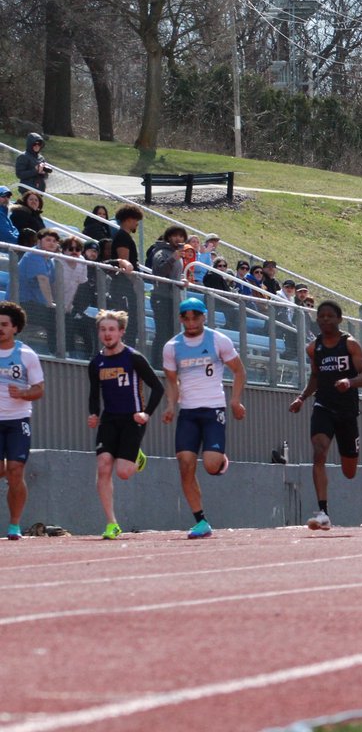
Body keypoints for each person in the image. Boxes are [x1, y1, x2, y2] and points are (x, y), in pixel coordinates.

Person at [161, 297, 247, 539]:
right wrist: (170, 405)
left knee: (209, 465)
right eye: (185, 317)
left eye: (195, 316)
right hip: (188, 413)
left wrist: (235, 400)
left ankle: (219, 459)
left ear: (204, 317)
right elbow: (172, 381)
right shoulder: (172, 347)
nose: (190, 322)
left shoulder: (218, 340)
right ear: (180, 319)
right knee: (185, 465)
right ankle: (201, 521)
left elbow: (239, 370)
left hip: (213, 409)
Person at [288, 300, 362, 531]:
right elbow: (315, 376)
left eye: (329, 316)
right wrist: (302, 398)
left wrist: (349, 381)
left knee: (349, 471)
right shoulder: (314, 348)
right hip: (322, 406)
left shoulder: (351, 345)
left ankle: (350, 453)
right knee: (319, 453)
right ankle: (323, 511)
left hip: (347, 412)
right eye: (321, 316)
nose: (325, 320)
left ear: (339, 319)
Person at [88, 310, 164, 539]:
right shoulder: (96, 363)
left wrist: (146, 413)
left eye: (112, 329)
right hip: (109, 420)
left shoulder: (133, 358)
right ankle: (111, 523)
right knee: (103, 465)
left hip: (132, 419)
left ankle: (137, 458)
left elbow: (157, 387)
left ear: (121, 332)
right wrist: (94, 414)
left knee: (123, 472)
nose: (107, 334)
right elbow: (94, 393)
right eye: (103, 330)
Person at [0, 302, 46, 540]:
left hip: (18, 420)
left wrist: (23, 393)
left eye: (4, 325)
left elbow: (39, 389)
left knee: (15, 471)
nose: (0, 329)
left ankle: (14, 525)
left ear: (15, 328)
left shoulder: (26, 354)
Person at [148, 226, 187, 369]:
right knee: (162, 333)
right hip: (161, 297)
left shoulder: (177, 255)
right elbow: (160, 272)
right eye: (175, 236)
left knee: (172, 333)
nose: (178, 239)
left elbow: (175, 275)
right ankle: (157, 365)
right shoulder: (162, 252)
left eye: (181, 236)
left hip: (173, 298)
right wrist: (173, 259)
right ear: (168, 237)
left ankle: (168, 365)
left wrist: (182, 281)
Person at [16, 228, 60, 346]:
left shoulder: (49, 260)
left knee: (63, 314)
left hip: (35, 303)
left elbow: (54, 285)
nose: (52, 243)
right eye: (48, 240)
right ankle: (55, 352)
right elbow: (43, 280)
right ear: (39, 242)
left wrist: (59, 303)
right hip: (20, 303)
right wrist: (50, 303)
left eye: (55, 241)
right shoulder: (34, 255)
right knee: (55, 317)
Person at [109, 205, 144, 346]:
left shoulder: (124, 236)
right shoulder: (122, 237)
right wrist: (135, 283)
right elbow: (125, 263)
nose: (137, 223)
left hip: (127, 286)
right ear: (128, 219)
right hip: (123, 286)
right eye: (136, 220)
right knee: (126, 321)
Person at [13, 133, 51, 199]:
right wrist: (35, 170)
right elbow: (19, 174)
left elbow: (45, 176)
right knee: (27, 208)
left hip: (40, 189)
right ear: (30, 144)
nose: (37, 146)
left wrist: (44, 172)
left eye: (39, 144)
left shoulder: (41, 158)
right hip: (27, 189)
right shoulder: (23, 156)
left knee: (36, 209)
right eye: (34, 144)